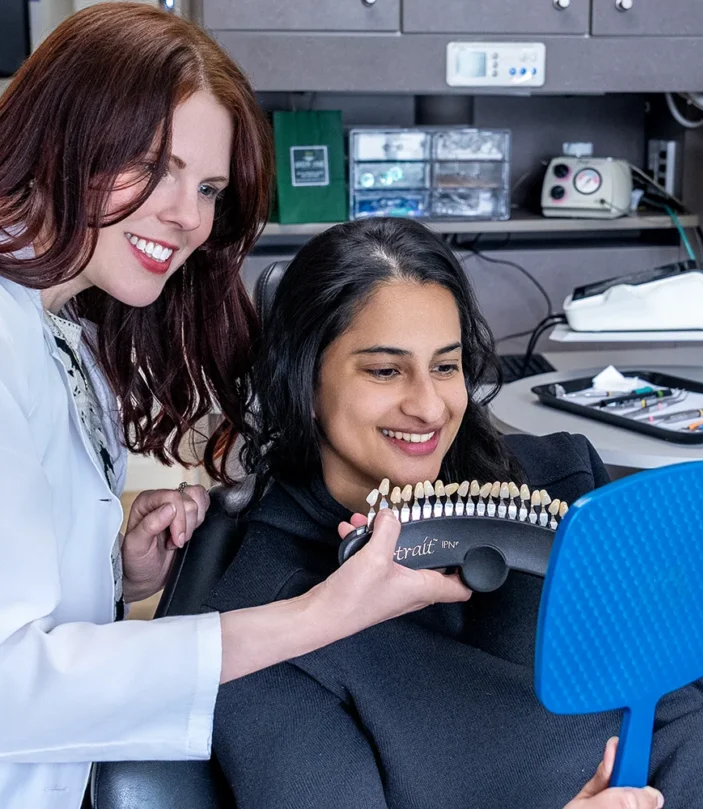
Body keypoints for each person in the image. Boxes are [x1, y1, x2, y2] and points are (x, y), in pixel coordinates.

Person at [0, 7, 470, 808]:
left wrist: (117, 571)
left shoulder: (58, 326)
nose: (188, 215)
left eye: (208, 188)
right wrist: (320, 614)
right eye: (155, 166)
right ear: (62, 135)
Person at [207, 217, 703, 809]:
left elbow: (686, 714)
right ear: (303, 381)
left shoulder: (565, 482)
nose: (429, 407)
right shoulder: (260, 625)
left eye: (445, 366)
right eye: (385, 370)